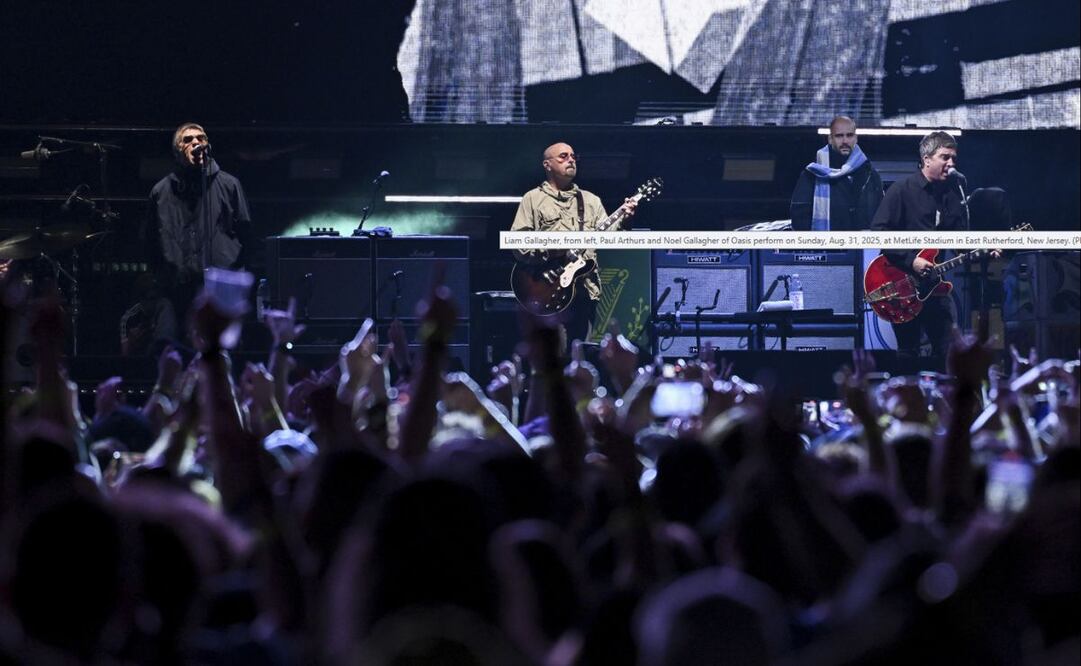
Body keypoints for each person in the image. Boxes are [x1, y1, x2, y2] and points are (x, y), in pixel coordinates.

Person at [509, 142, 635, 344]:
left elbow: (609, 239)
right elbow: (518, 244)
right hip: (546, 287)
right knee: (550, 354)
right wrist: (555, 249)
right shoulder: (532, 199)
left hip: (584, 291)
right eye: (563, 156)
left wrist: (624, 220)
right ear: (547, 165)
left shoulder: (591, 201)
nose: (571, 160)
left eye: (573, 156)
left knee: (581, 352)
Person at [143, 123, 251, 331]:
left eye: (201, 138)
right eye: (188, 140)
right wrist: (165, 275)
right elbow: (150, 243)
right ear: (177, 151)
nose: (196, 143)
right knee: (170, 348)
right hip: (176, 291)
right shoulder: (161, 192)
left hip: (219, 290)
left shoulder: (229, 185)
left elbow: (246, 235)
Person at [870, 130, 967, 358]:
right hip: (901, 287)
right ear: (927, 159)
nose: (951, 163)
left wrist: (984, 249)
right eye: (945, 157)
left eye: (954, 158)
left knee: (948, 352)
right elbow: (878, 233)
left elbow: (960, 238)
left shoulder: (953, 194)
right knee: (908, 354)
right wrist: (911, 260)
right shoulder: (901, 190)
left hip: (934, 288)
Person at [790, 115, 883, 231]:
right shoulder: (812, 175)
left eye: (849, 135)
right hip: (826, 246)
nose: (845, 141)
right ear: (830, 139)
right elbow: (800, 218)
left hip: (861, 246)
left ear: (856, 138)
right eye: (839, 136)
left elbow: (881, 216)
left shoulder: (870, 174)